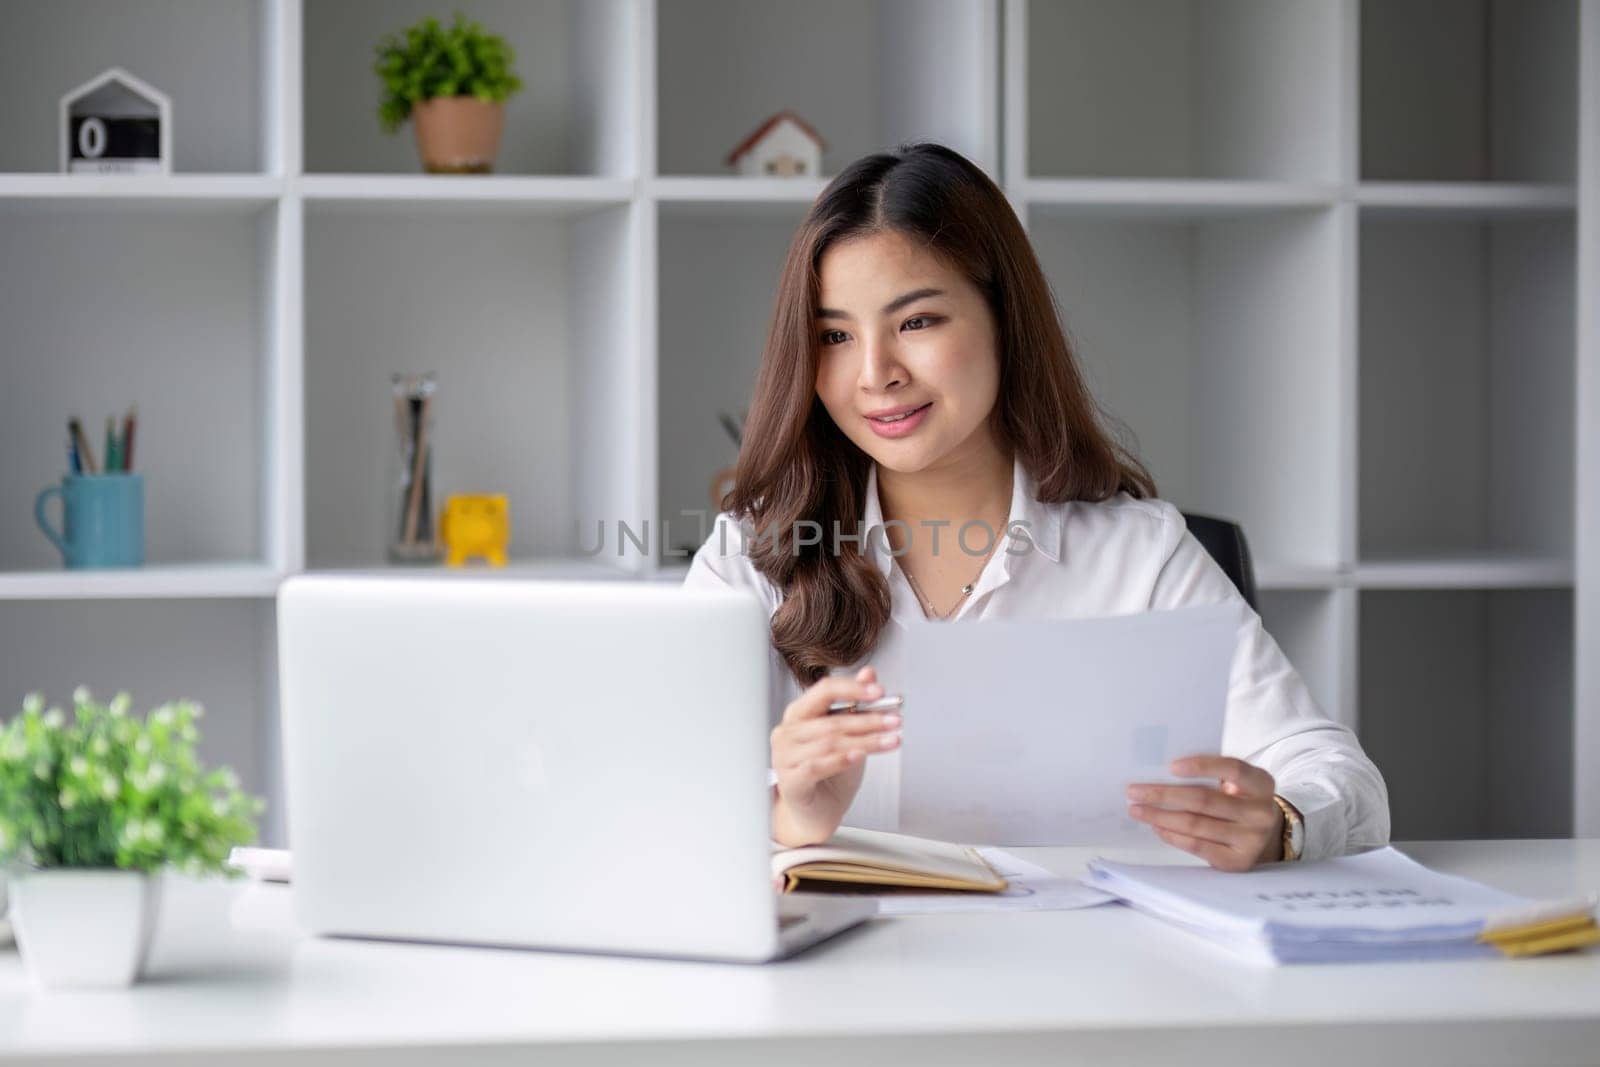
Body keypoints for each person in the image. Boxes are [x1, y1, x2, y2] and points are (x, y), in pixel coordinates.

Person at [683, 142, 1388, 871]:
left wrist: (1277, 821)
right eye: (834, 335)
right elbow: (657, 802)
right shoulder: (755, 555)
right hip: (846, 978)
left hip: (1090, 972)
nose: (875, 375)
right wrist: (790, 810)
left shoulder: (1140, 555)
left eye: (916, 322)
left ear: (1003, 320)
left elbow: (1337, 773)